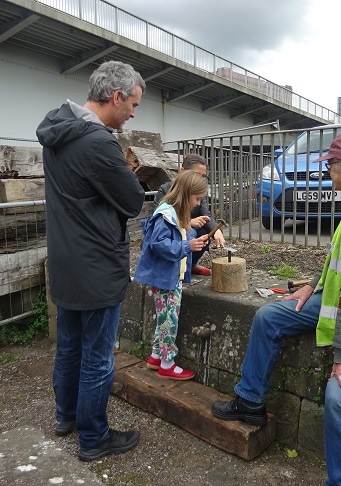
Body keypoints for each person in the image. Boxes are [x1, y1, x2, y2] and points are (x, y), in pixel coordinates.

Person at [211, 130, 341, 486]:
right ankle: (250, 401)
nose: (327, 171)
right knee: (269, 316)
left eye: (330, 164)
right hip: (338, 301)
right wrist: (311, 286)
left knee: (340, 394)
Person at [36, 60, 146, 462]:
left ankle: (66, 417)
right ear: (116, 97)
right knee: (98, 357)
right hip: (97, 264)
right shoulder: (98, 142)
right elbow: (133, 201)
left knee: (68, 347)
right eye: (133, 103)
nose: (134, 112)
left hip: (66, 260)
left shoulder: (57, 132)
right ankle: (94, 437)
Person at [134, 171, 209, 380]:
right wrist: (188, 245)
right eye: (197, 199)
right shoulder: (166, 215)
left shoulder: (171, 213)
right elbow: (159, 244)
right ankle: (167, 364)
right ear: (186, 195)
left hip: (168, 277)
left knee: (164, 318)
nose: (198, 204)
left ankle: (156, 356)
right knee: (170, 321)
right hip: (165, 279)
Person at [154, 153, 225, 275]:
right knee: (191, 233)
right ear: (182, 171)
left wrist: (216, 231)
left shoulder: (196, 192)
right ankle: (179, 267)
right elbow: (157, 221)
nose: (198, 203)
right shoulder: (166, 192)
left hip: (183, 236)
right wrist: (188, 222)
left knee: (205, 233)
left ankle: (190, 265)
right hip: (175, 235)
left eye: (203, 177)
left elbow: (205, 212)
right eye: (196, 175)